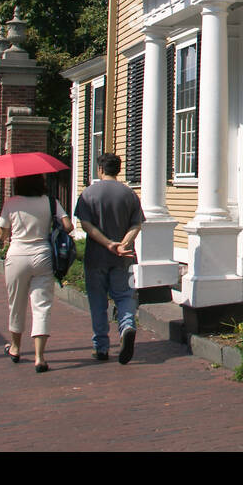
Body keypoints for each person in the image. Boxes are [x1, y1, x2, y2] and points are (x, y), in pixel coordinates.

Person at [0, 173, 73, 372]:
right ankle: (40, 357)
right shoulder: (50, 202)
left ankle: (15, 347)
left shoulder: (11, 203)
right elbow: (68, 226)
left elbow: (2, 232)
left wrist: (9, 233)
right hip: (43, 256)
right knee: (42, 305)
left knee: (16, 303)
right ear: (41, 183)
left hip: (17, 255)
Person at [74, 153, 144, 364]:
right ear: (119, 170)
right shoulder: (130, 195)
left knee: (98, 302)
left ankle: (101, 346)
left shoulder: (88, 194)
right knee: (125, 296)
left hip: (96, 257)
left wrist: (108, 244)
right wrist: (123, 245)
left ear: (100, 169)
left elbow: (86, 225)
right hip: (125, 258)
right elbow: (136, 224)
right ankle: (127, 326)